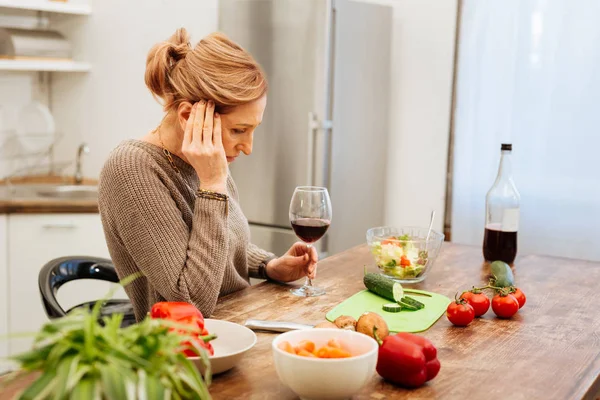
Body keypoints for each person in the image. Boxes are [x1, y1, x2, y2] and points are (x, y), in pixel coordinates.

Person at [98, 28, 317, 321]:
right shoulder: (131, 169)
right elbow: (191, 302)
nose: (248, 147)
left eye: (252, 130)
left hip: (238, 328)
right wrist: (213, 184)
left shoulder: (204, 158)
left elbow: (213, 241)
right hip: (184, 355)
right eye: (239, 130)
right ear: (189, 117)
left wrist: (268, 265)